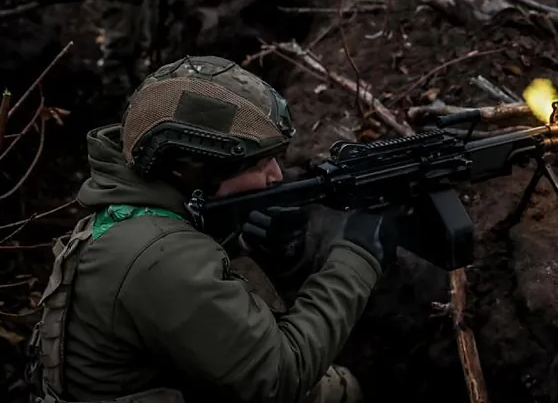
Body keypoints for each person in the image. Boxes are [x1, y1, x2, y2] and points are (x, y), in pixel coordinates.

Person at [27, 55, 399, 403]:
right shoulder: (159, 255)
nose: (276, 176)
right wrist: (357, 257)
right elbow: (280, 376)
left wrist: (274, 256)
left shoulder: (129, 219)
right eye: (258, 163)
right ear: (193, 169)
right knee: (340, 390)